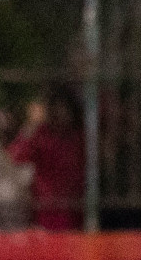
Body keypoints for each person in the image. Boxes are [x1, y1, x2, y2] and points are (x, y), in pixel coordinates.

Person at [7, 92, 85, 231]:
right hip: (47, 210)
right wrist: (31, 125)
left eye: (65, 110)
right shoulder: (41, 134)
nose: (61, 115)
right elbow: (16, 156)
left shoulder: (79, 138)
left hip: (75, 209)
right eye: (57, 110)